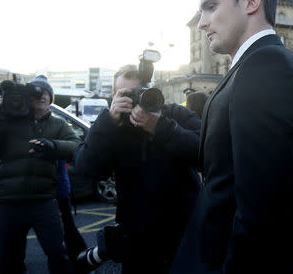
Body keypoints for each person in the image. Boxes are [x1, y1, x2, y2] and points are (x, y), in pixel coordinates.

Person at [170, 0, 293, 273]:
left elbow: (260, 217)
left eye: (210, 6)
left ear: (251, 1)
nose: (201, 23)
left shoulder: (265, 70)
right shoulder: (257, 65)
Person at [74, 65, 201, 273]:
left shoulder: (175, 115)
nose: (135, 100)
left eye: (139, 92)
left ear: (150, 90)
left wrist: (160, 127)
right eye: (126, 95)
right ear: (114, 96)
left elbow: (205, 152)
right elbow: (86, 168)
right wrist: (108, 122)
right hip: (137, 237)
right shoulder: (112, 127)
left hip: (184, 229)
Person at [0, 75, 80, 274]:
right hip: (9, 203)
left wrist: (53, 146)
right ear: (26, 97)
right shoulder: (7, 120)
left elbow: (76, 146)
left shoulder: (58, 125)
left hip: (44, 201)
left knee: (59, 256)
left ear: (52, 99)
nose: (42, 96)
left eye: (47, 93)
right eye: (37, 92)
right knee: (6, 261)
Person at [55, 160, 88, 265]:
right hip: (60, 189)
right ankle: (79, 253)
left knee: (67, 225)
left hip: (58, 190)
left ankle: (78, 255)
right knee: (67, 224)